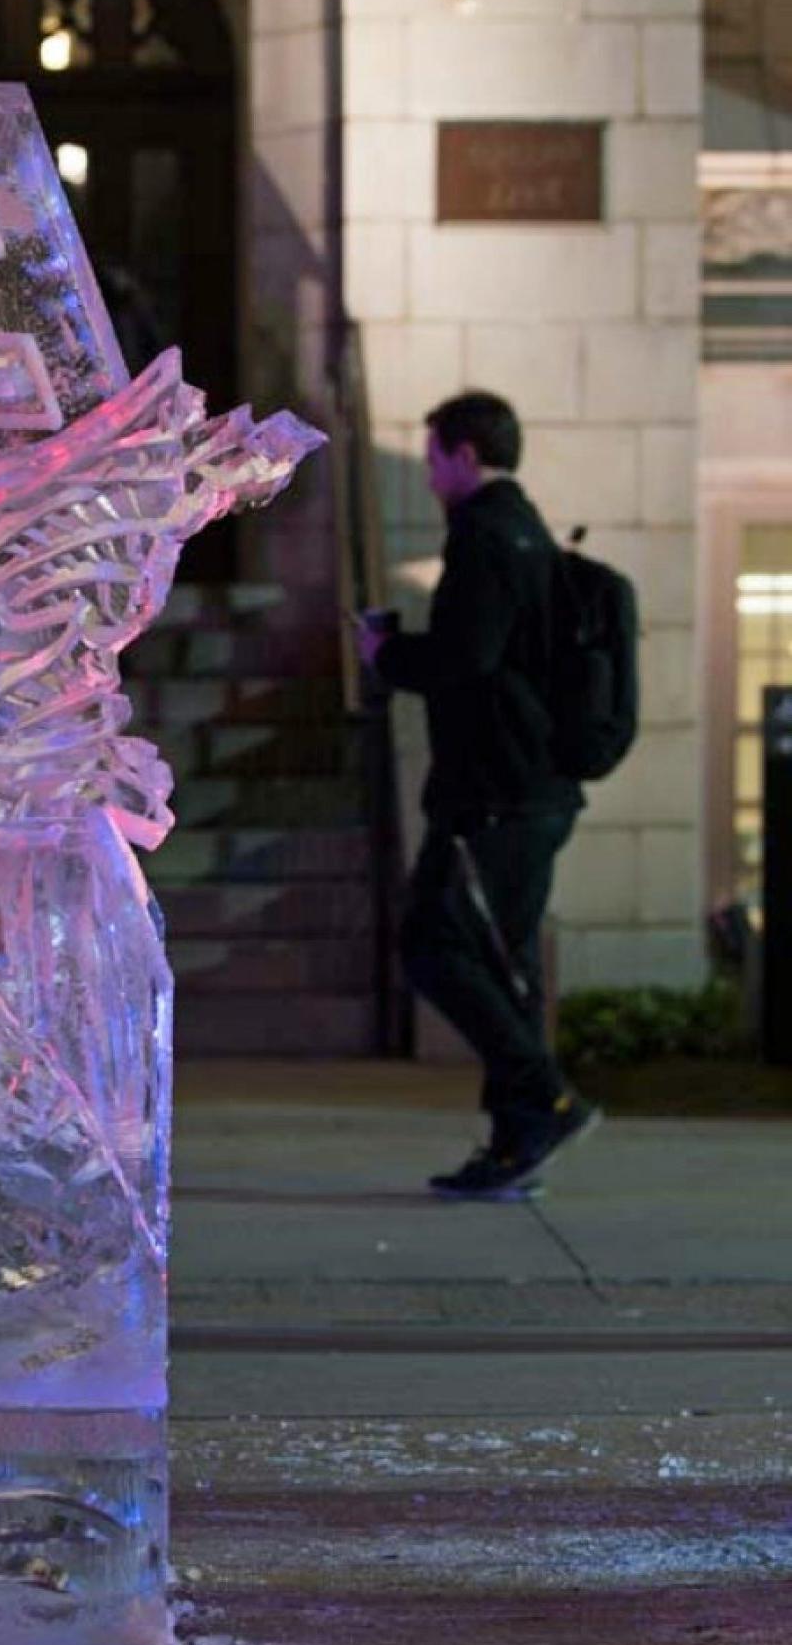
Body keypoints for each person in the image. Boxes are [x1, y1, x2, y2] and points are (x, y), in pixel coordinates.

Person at [355, 391, 599, 1200]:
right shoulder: (527, 531)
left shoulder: (487, 536)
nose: (427, 475)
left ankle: (544, 1098)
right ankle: (517, 1140)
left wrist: (387, 653)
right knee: (506, 965)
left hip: (496, 792)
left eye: (432, 458)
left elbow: (466, 655)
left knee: (434, 942)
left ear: (465, 454)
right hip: (533, 790)